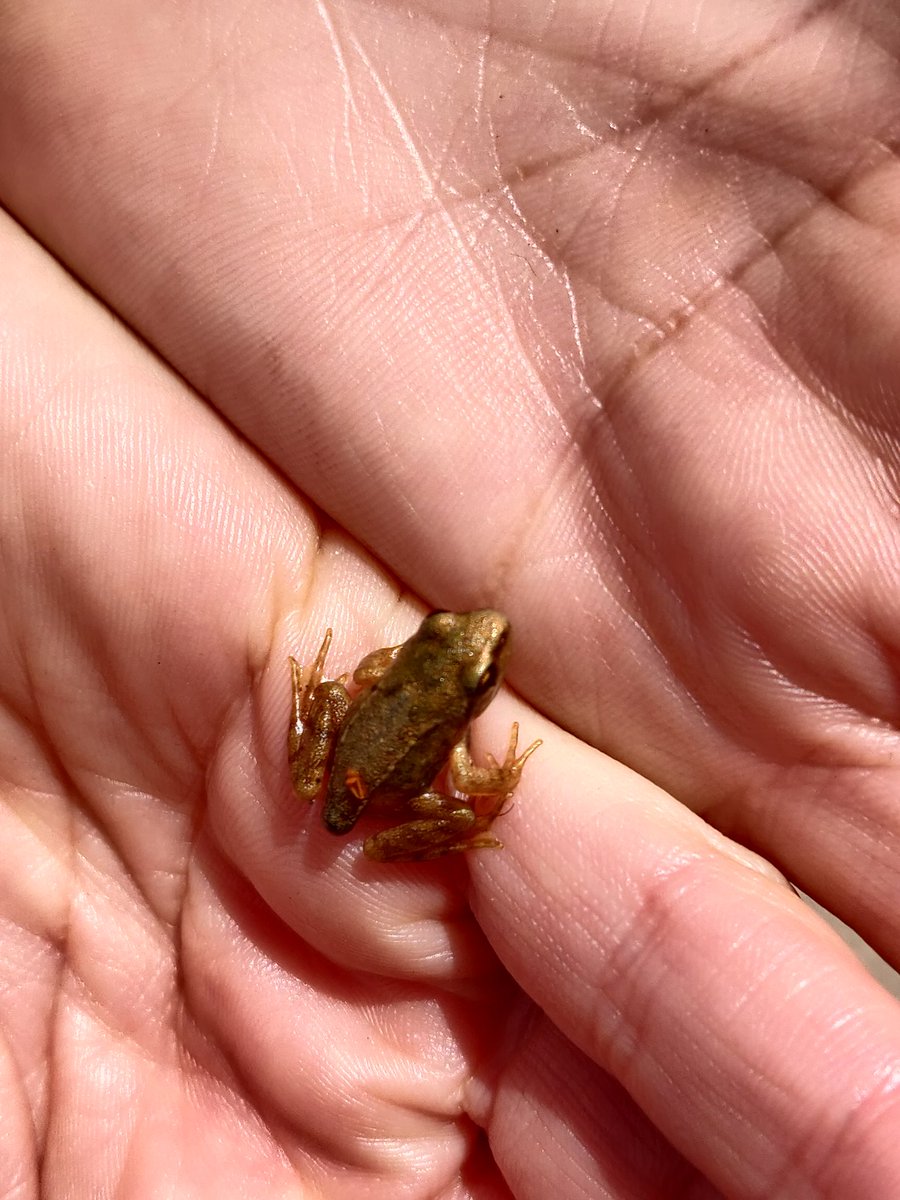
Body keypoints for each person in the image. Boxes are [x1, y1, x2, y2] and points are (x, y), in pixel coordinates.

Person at [2, 2, 898, 1194]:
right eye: (471, 662)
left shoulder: (401, 685)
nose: (481, 653)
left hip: (356, 764)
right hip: (370, 779)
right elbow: (402, 709)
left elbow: (379, 689)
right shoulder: (430, 702)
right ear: (455, 670)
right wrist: (471, 785)